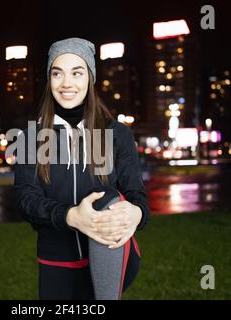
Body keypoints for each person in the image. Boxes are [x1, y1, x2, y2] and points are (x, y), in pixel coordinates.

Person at [14, 37, 149, 300]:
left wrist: (135, 214)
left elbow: (138, 199)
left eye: (77, 72)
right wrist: (70, 216)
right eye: (57, 73)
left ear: (90, 77)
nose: (66, 83)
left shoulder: (117, 134)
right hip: (56, 265)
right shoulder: (33, 137)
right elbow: (25, 199)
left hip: (106, 262)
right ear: (49, 79)